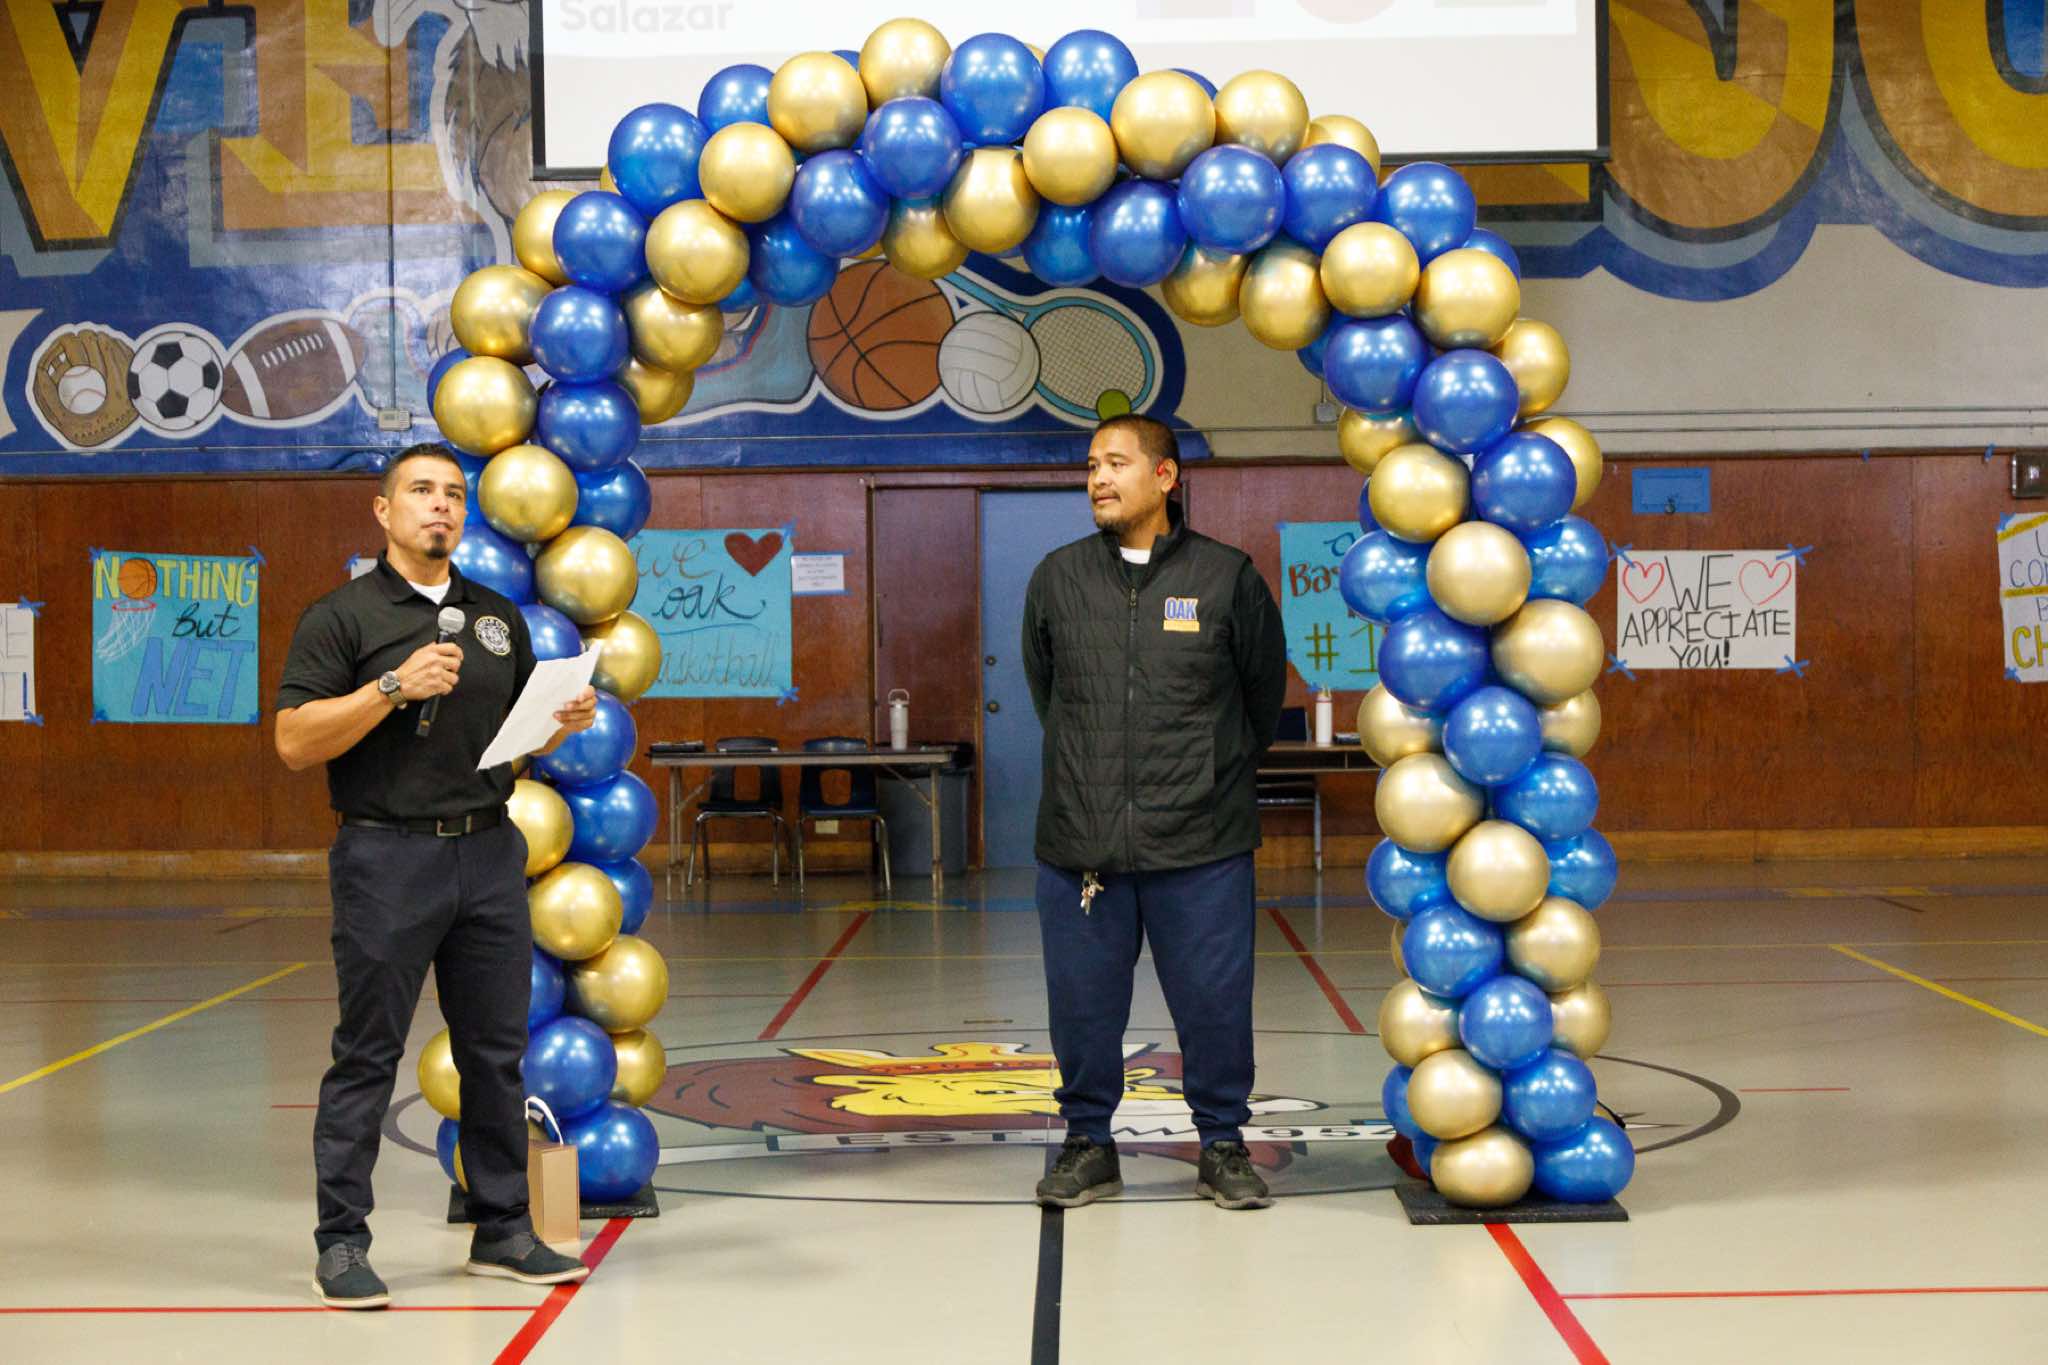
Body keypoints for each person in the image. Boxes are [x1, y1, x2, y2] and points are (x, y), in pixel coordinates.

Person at [275, 442, 600, 1308]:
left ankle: (503, 1228)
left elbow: (513, 738)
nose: (441, 506)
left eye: (454, 493)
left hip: (488, 852)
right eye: (421, 491)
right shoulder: (341, 616)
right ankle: (342, 1243)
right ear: (384, 511)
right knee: (367, 1052)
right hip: (387, 857)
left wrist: (561, 720)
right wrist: (391, 685)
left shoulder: (495, 616)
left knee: (495, 1053)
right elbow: (294, 741)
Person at [1021, 414, 1288, 1211]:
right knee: (1082, 1006)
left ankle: (1222, 1144)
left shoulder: (1226, 577)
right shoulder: (1058, 578)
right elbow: (1048, 694)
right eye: (1091, 466)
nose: (1098, 478)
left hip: (1203, 843)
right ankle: (1088, 1143)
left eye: (1116, 463)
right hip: (1083, 844)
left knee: (1214, 1004)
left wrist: (1202, 777)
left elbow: (1261, 701)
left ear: (1165, 476)